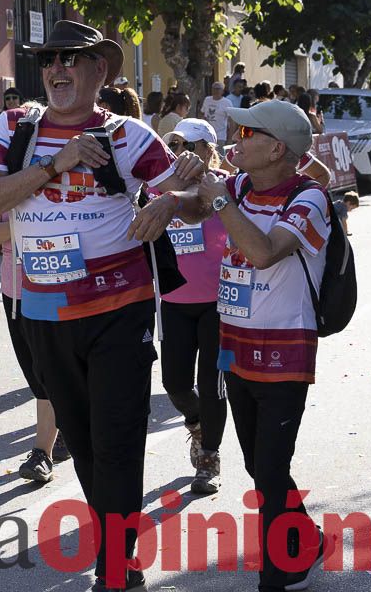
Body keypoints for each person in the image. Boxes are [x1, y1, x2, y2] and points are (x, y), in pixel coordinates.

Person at [0, 20, 205, 591]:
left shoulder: (129, 135)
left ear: (100, 71)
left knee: (117, 439)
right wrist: (57, 162)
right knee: (84, 447)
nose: (57, 71)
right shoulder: (14, 129)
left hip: (119, 313)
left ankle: (116, 567)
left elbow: (197, 199)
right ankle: (116, 544)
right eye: (50, 60)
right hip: (45, 315)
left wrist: (172, 201)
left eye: (71, 60)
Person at [196, 100, 334, 592]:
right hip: (234, 348)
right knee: (259, 464)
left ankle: (277, 575)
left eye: (247, 129)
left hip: (284, 354)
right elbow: (193, 198)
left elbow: (263, 252)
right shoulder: (237, 185)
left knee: (271, 471)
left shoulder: (308, 197)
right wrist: (175, 193)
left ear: (276, 147)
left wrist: (216, 201)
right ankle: (310, 538)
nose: (236, 133)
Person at [160, 120, 229, 495]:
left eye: (188, 144)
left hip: (217, 303)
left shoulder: (222, 185)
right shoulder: (160, 186)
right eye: (173, 142)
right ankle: (198, 422)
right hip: (173, 302)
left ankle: (210, 458)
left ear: (207, 149)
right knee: (174, 382)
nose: (179, 150)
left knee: (212, 384)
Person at [0, 212, 70, 482]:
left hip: (64, 286)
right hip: (17, 292)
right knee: (35, 372)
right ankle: (60, 427)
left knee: (51, 371)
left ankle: (42, 452)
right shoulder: (6, 175)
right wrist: (17, 224)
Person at [201, 81, 233, 146]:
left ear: (222, 91)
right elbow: (202, 115)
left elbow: (232, 121)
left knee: (219, 155)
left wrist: (230, 138)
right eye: (214, 88)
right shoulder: (207, 100)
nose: (216, 91)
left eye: (218, 89)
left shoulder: (227, 102)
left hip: (220, 136)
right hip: (207, 135)